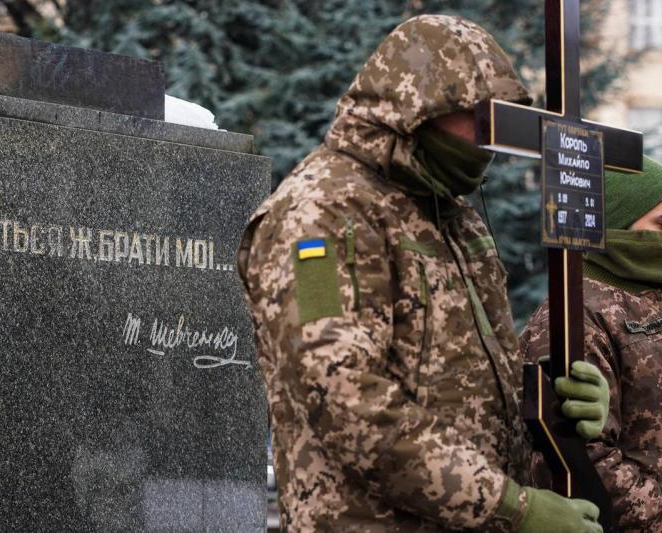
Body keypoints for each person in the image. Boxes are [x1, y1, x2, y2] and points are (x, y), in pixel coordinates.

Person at [238, 14, 608, 533]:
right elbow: (343, 397)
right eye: (475, 115)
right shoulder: (318, 215)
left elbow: (458, 383)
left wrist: (552, 397)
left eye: (497, 118)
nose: (488, 138)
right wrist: (512, 507)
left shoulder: (452, 216)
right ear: (416, 106)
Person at [521, 156, 662, 531]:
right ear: (615, 223)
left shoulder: (652, 295)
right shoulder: (573, 315)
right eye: (661, 224)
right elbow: (579, 456)